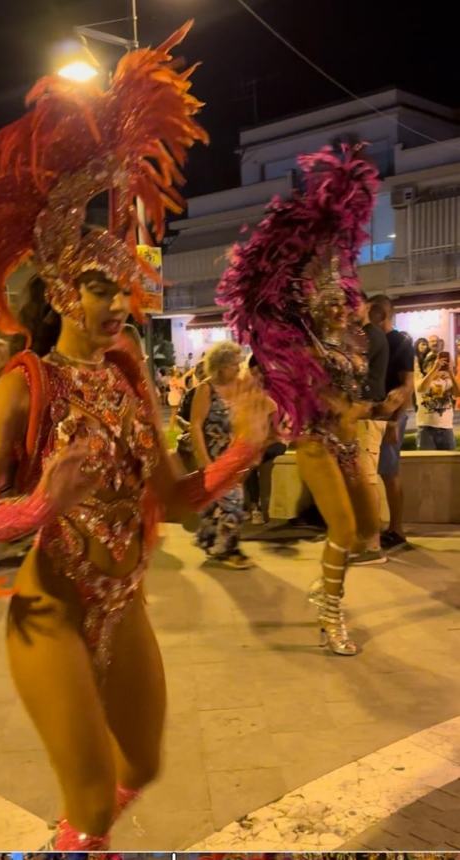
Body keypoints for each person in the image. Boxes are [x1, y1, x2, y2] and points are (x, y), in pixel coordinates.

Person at [0, 25, 271, 850]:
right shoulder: (27, 383)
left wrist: (244, 447)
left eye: (121, 292)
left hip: (123, 604)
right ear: (63, 289)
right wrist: (38, 505)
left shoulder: (132, 374)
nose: (116, 307)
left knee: (146, 764)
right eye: (101, 290)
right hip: (48, 613)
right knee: (95, 801)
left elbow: (171, 502)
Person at [217, 142, 381, 655]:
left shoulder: (342, 322)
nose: (342, 308)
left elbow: (356, 384)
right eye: (331, 302)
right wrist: (326, 395)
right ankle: (330, 616)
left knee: (369, 530)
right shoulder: (291, 336)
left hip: (348, 436)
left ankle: (326, 584)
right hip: (313, 438)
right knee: (346, 527)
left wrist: (358, 404)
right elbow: (295, 384)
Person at [191, 342, 272, 569]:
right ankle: (229, 550)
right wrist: (204, 460)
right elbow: (196, 425)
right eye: (233, 365)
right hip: (216, 457)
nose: (238, 368)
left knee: (221, 503)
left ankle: (213, 543)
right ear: (219, 366)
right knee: (233, 503)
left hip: (236, 455)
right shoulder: (206, 390)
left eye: (238, 364)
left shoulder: (239, 387)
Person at [369, 295, 415, 552]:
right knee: (374, 473)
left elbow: (406, 386)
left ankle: (397, 529)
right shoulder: (372, 341)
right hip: (374, 414)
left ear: (381, 315)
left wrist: (394, 422)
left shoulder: (401, 342)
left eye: (371, 315)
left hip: (390, 417)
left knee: (389, 472)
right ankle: (378, 527)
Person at [350, 292, 389, 565]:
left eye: (353, 303)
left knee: (367, 479)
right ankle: (363, 539)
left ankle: (373, 546)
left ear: (366, 307)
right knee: (360, 479)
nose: (348, 309)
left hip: (368, 412)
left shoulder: (370, 336)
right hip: (360, 414)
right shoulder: (361, 335)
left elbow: (353, 370)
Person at [245, 356, 287, 524]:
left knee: (252, 459)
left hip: (274, 443)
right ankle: (252, 506)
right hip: (256, 444)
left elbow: (275, 432)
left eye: (258, 373)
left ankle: (257, 508)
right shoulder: (248, 400)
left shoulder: (271, 401)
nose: (255, 378)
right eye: (252, 374)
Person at [416, 350, 459, 450]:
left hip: (446, 428)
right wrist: (434, 369)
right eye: (433, 365)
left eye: (440, 365)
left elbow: (458, 394)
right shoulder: (421, 380)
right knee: (427, 462)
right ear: (425, 368)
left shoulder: (448, 381)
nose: (438, 368)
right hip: (426, 428)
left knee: (448, 463)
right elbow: (421, 388)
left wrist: (451, 373)